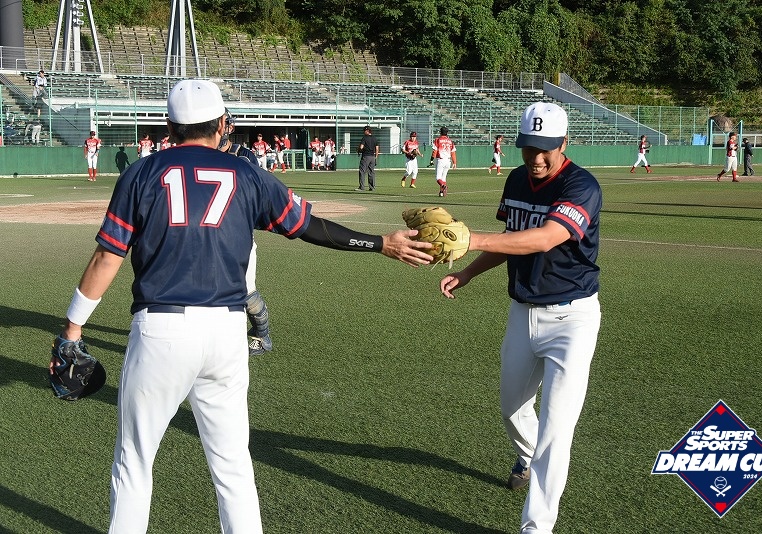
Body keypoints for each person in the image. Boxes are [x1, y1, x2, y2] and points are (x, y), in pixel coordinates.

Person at [49, 79, 433, 534]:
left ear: (169, 127)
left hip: (162, 331)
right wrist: (380, 243)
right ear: (222, 124)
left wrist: (72, 328)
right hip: (227, 334)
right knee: (232, 466)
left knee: (134, 462)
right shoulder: (248, 174)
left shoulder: (142, 173)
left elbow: (107, 257)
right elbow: (311, 227)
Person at [439, 102, 602, 534]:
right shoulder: (516, 178)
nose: (537, 158)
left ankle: (536, 526)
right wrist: (468, 272)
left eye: (546, 148)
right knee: (512, 408)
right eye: (529, 147)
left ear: (564, 143)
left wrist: (471, 239)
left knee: (556, 429)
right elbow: (511, 239)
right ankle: (527, 456)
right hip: (522, 312)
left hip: (572, 319)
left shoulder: (581, 186)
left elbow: (545, 238)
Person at [217, 112, 274, 355]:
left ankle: (262, 336)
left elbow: (258, 192)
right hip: (205, 234)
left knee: (246, 291)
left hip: (237, 234)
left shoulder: (243, 155)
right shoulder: (199, 154)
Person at [429, 126, 456, 197]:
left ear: (440, 132)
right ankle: (441, 192)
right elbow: (453, 153)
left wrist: (431, 160)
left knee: (438, 178)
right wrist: (454, 163)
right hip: (448, 161)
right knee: (443, 178)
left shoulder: (437, 140)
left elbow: (434, 151)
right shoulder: (450, 141)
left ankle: (443, 186)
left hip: (440, 160)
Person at [356, 125, 379, 191]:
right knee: (371, 172)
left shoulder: (364, 138)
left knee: (362, 171)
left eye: (364, 130)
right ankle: (372, 187)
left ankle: (362, 187)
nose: (364, 132)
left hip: (366, 156)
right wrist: (376, 157)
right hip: (372, 157)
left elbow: (361, 147)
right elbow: (377, 149)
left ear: (367, 131)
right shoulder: (374, 138)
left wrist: (358, 150)